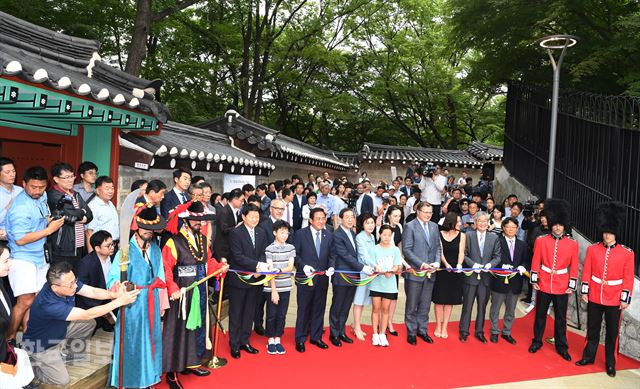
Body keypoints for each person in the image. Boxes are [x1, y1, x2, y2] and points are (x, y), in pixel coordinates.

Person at [23, 261, 138, 387]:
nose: (75, 286)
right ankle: (30, 368)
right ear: (55, 287)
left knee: (88, 324)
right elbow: (87, 314)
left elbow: (92, 292)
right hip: (41, 345)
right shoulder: (48, 304)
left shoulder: (65, 284)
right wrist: (119, 302)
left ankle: (69, 354)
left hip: (58, 330)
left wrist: (113, 294)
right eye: (70, 284)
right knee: (62, 381)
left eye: (74, 281)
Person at [161, 201, 227, 388]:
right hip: (182, 293)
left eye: (202, 222)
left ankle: (192, 362)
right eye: (197, 221)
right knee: (178, 330)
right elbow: (166, 268)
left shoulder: (202, 240)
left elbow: (207, 263)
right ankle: (172, 373)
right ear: (186, 221)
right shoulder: (173, 242)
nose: (201, 224)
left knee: (198, 328)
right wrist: (172, 288)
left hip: (200, 289)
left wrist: (219, 267)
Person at [107, 204, 168, 388]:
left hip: (152, 300)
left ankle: (149, 379)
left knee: (152, 341)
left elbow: (161, 278)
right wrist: (119, 287)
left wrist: (162, 306)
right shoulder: (125, 251)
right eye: (146, 229)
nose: (149, 233)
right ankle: (129, 381)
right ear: (137, 227)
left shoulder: (156, 250)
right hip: (132, 303)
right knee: (132, 343)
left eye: (152, 230)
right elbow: (112, 278)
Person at [6, 166, 65, 344]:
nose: (37, 191)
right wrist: (49, 230)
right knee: (25, 301)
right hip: (23, 258)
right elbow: (21, 240)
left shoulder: (42, 196)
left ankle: (29, 339)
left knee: (37, 300)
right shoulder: (20, 208)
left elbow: (41, 218)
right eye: (33, 187)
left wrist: (49, 222)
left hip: (40, 257)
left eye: (41, 187)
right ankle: (8, 339)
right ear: (23, 184)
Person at [576, 202, 635, 377]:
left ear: (615, 233)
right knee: (592, 329)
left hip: (615, 298)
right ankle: (588, 357)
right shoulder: (593, 249)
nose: (607, 236)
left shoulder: (627, 253)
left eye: (610, 233)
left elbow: (628, 278)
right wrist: (585, 291)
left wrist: (625, 299)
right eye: (605, 232)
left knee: (612, 333)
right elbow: (586, 271)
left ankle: (611, 363)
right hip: (595, 294)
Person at [528, 199, 578, 361]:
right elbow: (536, 261)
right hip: (543, 282)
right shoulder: (541, 240)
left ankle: (562, 346)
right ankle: (537, 341)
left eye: (560, 225)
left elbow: (574, 266)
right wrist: (534, 279)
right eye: (555, 224)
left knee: (561, 318)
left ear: (564, 226)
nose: (557, 227)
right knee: (540, 314)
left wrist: (572, 284)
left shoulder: (572, 244)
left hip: (562, 284)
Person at [227, 204, 269, 359]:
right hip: (239, 279)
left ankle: (245, 341)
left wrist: (261, 267)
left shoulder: (261, 232)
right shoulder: (235, 233)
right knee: (236, 312)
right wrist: (257, 266)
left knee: (250, 312)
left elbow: (263, 252)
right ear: (243, 217)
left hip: (255, 280)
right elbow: (237, 256)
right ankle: (235, 344)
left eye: (257, 217)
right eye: (251, 216)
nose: (255, 219)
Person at [329, 209, 373, 347]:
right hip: (342, 276)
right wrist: (362, 267)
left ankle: (342, 331)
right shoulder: (337, 234)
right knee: (337, 306)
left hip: (353, 276)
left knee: (346, 306)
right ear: (341, 218)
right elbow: (344, 255)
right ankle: (334, 334)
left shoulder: (353, 234)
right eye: (347, 217)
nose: (349, 220)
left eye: (352, 217)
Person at [294, 208, 336, 352]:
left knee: (319, 308)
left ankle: (316, 337)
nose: (320, 221)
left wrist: (331, 267)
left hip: (322, 279)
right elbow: (295, 255)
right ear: (311, 220)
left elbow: (332, 255)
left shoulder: (329, 235)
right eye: (317, 218)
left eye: (323, 218)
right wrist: (303, 266)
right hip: (305, 278)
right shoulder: (300, 234)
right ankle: (300, 338)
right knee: (304, 308)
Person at [459, 211, 501, 343]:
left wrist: (490, 264)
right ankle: (464, 331)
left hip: (486, 278)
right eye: (480, 221)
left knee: (482, 305)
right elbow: (463, 254)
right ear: (475, 223)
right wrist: (473, 264)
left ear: (488, 223)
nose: (482, 223)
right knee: (467, 305)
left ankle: (479, 331)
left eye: (485, 221)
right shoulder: (468, 235)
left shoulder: (494, 237)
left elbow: (497, 256)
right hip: (471, 276)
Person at [402, 202, 441, 345]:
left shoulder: (434, 226)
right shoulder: (410, 226)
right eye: (425, 212)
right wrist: (421, 264)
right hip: (415, 272)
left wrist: (437, 262)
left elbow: (437, 247)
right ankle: (411, 332)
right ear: (418, 211)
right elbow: (407, 250)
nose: (428, 215)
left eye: (430, 212)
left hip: (431, 272)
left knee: (425, 304)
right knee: (412, 304)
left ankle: (422, 330)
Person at [488, 217, 530, 344]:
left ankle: (507, 332)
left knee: (511, 309)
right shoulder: (497, 241)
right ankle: (494, 331)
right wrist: (501, 266)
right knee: (495, 308)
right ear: (503, 228)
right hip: (499, 280)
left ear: (517, 229)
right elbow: (493, 257)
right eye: (508, 227)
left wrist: (523, 266)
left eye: (513, 227)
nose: (511, 229)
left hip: (515, 281)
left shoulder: (522, 244)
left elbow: (526, 259)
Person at [0, 247, 35, 389]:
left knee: (22, 356)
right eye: (6, 261)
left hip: (2, 348)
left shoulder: (1, 283)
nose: (10, 264)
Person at [254, 198, 290, 336]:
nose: (280, 211)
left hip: (280, 271)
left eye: (282, 209)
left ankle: (274, 330)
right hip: (264, 268)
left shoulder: (285, 225)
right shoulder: (263, 225)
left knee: (276, 303)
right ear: (270, 209)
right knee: (260, 300)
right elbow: (260, 248)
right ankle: (258, 323)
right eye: (277, 208)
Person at [47, 162, 93, 265]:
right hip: (63, 247)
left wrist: (82, 217)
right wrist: (82, 212)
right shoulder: (53, 195)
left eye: (72, 176)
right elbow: (69, 214)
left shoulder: (75, 194)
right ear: (56, 179)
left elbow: (90, 214)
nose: (70, 180)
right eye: (66, 177)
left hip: (79, 246)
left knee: (75, 277)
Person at [264, 220, 296, 355]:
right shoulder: (269, 249)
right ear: (274, 233)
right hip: (272, 288)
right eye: (281, 232)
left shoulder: (291, 248)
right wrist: (274, 291)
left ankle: (278, 338)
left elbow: (290, 267)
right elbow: (270, 271)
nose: (284, 235)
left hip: (286, 286)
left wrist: (278, 270)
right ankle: (270, 339)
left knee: (282, 314)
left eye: (286, 233)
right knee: (271, 314)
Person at [75, 230, 116, 332]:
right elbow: (83, 293)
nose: (112, 247)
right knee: (91, 327)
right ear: (97, 248)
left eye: (113, 244)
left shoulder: (115, 256)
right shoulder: (85, 264)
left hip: (111, 297)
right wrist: (102, 309)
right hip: (93, 303)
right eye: (108, 245)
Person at [432, 212, 465, 340]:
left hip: (455, 271)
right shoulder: (440, 234)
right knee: (439, 300)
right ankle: (438, 325)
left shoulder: (462, 236)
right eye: (458, 222)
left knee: (450, 301)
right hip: (442, 269)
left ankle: (445, 326)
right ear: (451, 222)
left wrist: (459, 264)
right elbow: (439, 251)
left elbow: (461, 252)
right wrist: (446, 264)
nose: (461, 224)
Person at [368, 224, 403, 347]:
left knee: (385, 310)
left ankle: (382, 334)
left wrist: (393, 270)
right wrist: (379, 270)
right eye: (384, 235)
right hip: (376, 283)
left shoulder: (395, 250)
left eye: (389, 235)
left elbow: (398, 266)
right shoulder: (374, 249)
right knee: (376, 309)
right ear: (380, 235)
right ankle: (375, 334)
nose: (387, 237)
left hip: (389, 284)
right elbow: (372, 265)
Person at [351, 213, 377, 341]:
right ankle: (356, 327)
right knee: (359, 301)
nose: (370, 225)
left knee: (363, 300)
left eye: (372, 222)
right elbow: (364, 256)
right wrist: (376, 265)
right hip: (363, 272)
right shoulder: (360, 237)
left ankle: (355, 324)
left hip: (371, 272)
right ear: (362, 224)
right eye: (367, 223)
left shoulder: (372, 236)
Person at [382, 205, 403, 336]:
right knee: (383, 297)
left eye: (399, 216)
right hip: (384, 268)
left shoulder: (400, 227)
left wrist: (400, 265)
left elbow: (400, 247)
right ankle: (381, 322)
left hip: (395, 266)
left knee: (393, 296)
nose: (397, 218)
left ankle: (390, 322)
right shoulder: (383, 227)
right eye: (395, 215)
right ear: (389, 215)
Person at [85, 176, 119, 253]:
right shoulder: (93, 206)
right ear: (97, 190)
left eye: (112, 188)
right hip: (101, 248)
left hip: (113, 246)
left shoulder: (110, 203)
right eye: (107, 189)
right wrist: (92, 255)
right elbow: (89, 232)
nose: (110, 191)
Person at [213, 188, 244, 261]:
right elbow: (224, 230)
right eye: (241, 200)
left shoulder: (235, 211)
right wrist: (237, 227)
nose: (242, 203)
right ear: (234, 199)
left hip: (230, 248)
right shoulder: (224, 211)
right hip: (223, 249)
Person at [0, 158, 22, 246]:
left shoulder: (20, 191)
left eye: (13, 171)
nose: (12, 175)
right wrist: (7, 208)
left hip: (20, 237)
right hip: (3, 239)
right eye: (7, 172)